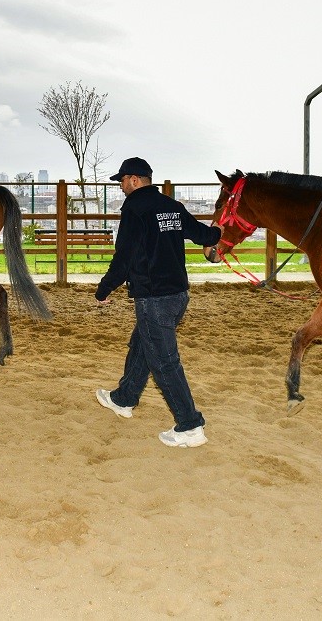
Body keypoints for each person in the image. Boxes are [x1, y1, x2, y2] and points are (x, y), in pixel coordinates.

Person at [93, 157, 222, 448]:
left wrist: (104, 290)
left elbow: (123, 257)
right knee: (143, 344)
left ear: (135, 180)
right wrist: (218, 233)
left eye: (123, 181)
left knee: (164, 361)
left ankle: (190, 425)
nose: (121, 187)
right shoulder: (172, 206)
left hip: (154, 297)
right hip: (179, 295)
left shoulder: (134, 208)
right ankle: (123, 398)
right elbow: (202, 234)